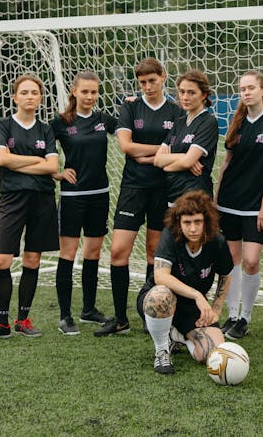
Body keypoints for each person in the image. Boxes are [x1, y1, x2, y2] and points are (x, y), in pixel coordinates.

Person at [95, 58, 184, 337]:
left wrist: (149, 154)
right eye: (142, 82)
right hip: (133, 188)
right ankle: (120, 318)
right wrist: (159, 151)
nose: (148, 86)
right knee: (118, 251)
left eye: (152, 81)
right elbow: (125, 146)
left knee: (153, 252)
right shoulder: (130, 107)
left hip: (163, 188)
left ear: (163, 77)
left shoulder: (176, 111)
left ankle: (149, 314)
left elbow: (177, 149)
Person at [0, 75, 59, 342]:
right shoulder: (4, 125)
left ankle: (23, 320)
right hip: (12, 199)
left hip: (42, 200)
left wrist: (18, 162)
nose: (29, 96)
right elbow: (2, 159)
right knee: (1, 260)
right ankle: (1, 323)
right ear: (15, 97)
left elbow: (52, 166)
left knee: (32, 260)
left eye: (34, 92)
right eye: (24, 92)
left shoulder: (45, 129)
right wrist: (36, 161)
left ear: (40, 98)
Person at [214, 70, 263, 339]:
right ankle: (232, 315)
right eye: (243, 89)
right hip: (228, 201)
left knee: (251, 262)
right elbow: (226, 164)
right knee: (231, 260)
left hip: (255, 205)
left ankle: (246, 317)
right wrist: (215, 199)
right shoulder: (238, 121)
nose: (246, 93)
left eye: (251, 88)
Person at [50, 71, 118, 335]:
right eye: (85, 91)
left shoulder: (103, 120)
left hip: (100, 194)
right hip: (72, 197)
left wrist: (133, 105)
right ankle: (65, 316)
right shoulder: (61, 122)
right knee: (68, 254)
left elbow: (130, 129)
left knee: (93, 253)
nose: (90, 97)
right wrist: (56, 173)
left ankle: (88, 309)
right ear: (74, 91)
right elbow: (40, 148)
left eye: (94, 92)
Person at [137, 190, 233, 374]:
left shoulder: (217, 241)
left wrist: (216, 309)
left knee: (211, 353)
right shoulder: (170, 235)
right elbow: (160, 276)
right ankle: (162, 351)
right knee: (161, 294)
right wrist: (198, 295)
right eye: (187, 223)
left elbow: (226, 275)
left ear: (206, 221)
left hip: (190, 307)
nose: (193, 228)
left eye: (197, 222)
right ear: (179, 223)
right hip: (159, 302)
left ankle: (177, 335)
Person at [153, 69, 219, 203]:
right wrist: (184, 156)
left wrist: (168, 167)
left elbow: (187, 162)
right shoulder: (179, 122)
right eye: (182, 92)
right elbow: (157, 160)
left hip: (196, 195)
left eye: (191, 92)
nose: (185, 97)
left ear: (204, 95)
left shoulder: (208, 122)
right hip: (173, 193)